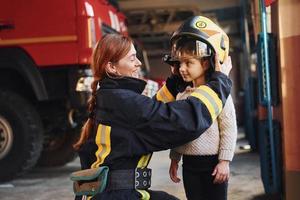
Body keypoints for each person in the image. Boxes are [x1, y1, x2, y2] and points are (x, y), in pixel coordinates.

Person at [72, 29, 232, 199]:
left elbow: (152, 113)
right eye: (132, 58)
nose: (139, 63)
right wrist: (219, 82)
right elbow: (182, 121)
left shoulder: (111, 98)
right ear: (112, 67)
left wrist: (175, 81)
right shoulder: (123, 102)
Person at [167, 16, 237, 200]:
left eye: (189, 63)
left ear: (205, 63)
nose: (182, 68)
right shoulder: (182, 95)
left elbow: (228, 128)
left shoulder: (218, 94)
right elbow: (179, 130)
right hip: (189, 165)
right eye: (179, 63)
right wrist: (175, 158)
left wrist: (224, 161)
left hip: (213, 164)